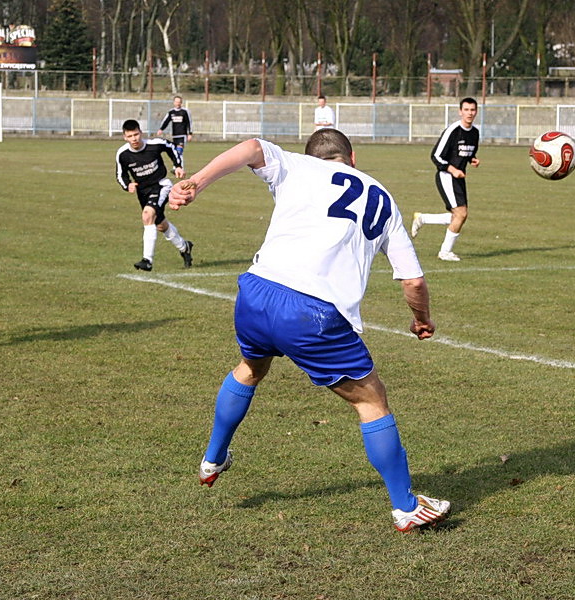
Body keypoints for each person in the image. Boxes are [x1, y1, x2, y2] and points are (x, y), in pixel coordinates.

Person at [168, 129, 451, 532]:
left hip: (256, 291)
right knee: (372, 401)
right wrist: (421, 318)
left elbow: (250, 148)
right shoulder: (383, 198)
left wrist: (196, 182)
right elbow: (413, 282)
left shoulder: (295, 166)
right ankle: (406, 507)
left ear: (312, 155)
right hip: (312, 312)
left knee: (250, 368)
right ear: (351, 157)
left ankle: (213, 458)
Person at [115, 119, 193, 271]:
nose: (134, 139)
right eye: (130, 136)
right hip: (143, 191)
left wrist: (177, 166)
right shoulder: (123, 154)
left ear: (141, 133)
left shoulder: (155, 144)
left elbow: (171, 147)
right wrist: (127, 185)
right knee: (160, 225)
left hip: (161, 185)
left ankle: (147, 260)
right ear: (125, 137)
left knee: (147, 214)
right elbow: (120, 174)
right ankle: (185, 247)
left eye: (136, 134)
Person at [410, 97, 480, 261]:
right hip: (446, 176)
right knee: (461, 214)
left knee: (460, 216)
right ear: (460, 111)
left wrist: (473, 159)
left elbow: (467, 152)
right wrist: (453, 170)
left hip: (458, 177)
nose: (470, 113)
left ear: (476, 112)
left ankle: (423, 218)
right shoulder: (453, 131)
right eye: (466, 110)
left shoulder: (475, 133)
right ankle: (445, 252)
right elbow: (435, 156)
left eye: (473, 110)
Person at [156, 95, 194, 167]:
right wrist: (161, 129)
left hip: (182, 135)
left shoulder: (185, 112)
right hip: (175, 135)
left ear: (181, 103)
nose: (178, 103)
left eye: (179, 102)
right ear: (174, 102)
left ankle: (179, 167)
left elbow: (189, 122)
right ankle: (176, 167)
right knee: (175, 151)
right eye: (176, 102)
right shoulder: (171, 112)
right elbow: (166, 121)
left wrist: (190, 133)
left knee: (179, 151)